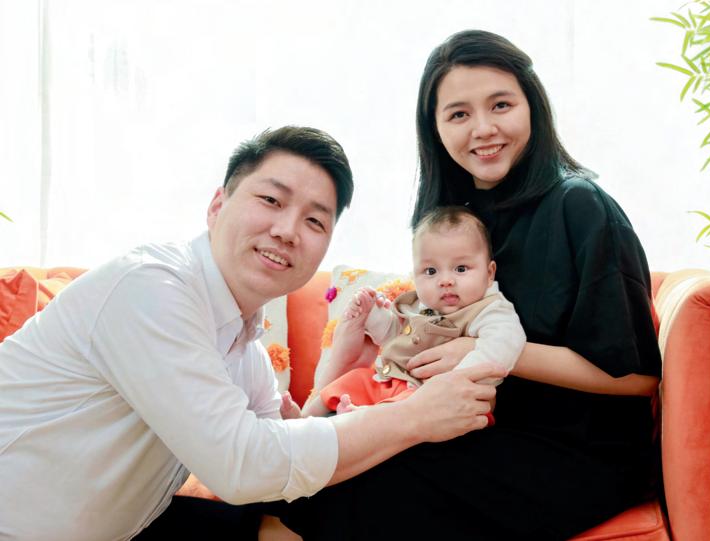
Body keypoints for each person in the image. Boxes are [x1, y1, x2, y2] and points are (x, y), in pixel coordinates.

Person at [0, 126, 505, 541]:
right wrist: (415, 417)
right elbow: (244, 466)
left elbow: (285, 455)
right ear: (217, 205)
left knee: (303, 522)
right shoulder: (150, 287)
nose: (287, 230)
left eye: (315, 221)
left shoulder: (245, 348)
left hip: (127, 527)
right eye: (270, 199)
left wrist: (341, 372)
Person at [265, 30, 662, 541]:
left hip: (577, 455)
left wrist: (489, 352)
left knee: (344, 488)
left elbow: (637, 378)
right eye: (458, 114)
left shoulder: (580, 206)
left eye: (501, 105)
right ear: (434, 129)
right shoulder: (455, 222)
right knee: (307, 464)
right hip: (474, 428)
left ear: (533, 107)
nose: (483, 129)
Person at [302, 206, 525, 418]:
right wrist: (373, 315)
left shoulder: (489, 310)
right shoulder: (420, 306)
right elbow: (394, 338)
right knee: (351, 381)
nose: (445, 280)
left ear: (489, 273)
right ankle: (304, 421)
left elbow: (504, 343)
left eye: (460, 269)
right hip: (392, 381)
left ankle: (360, 420)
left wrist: (459, 377)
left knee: (403, 409)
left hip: (441, 398)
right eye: (431, 271)